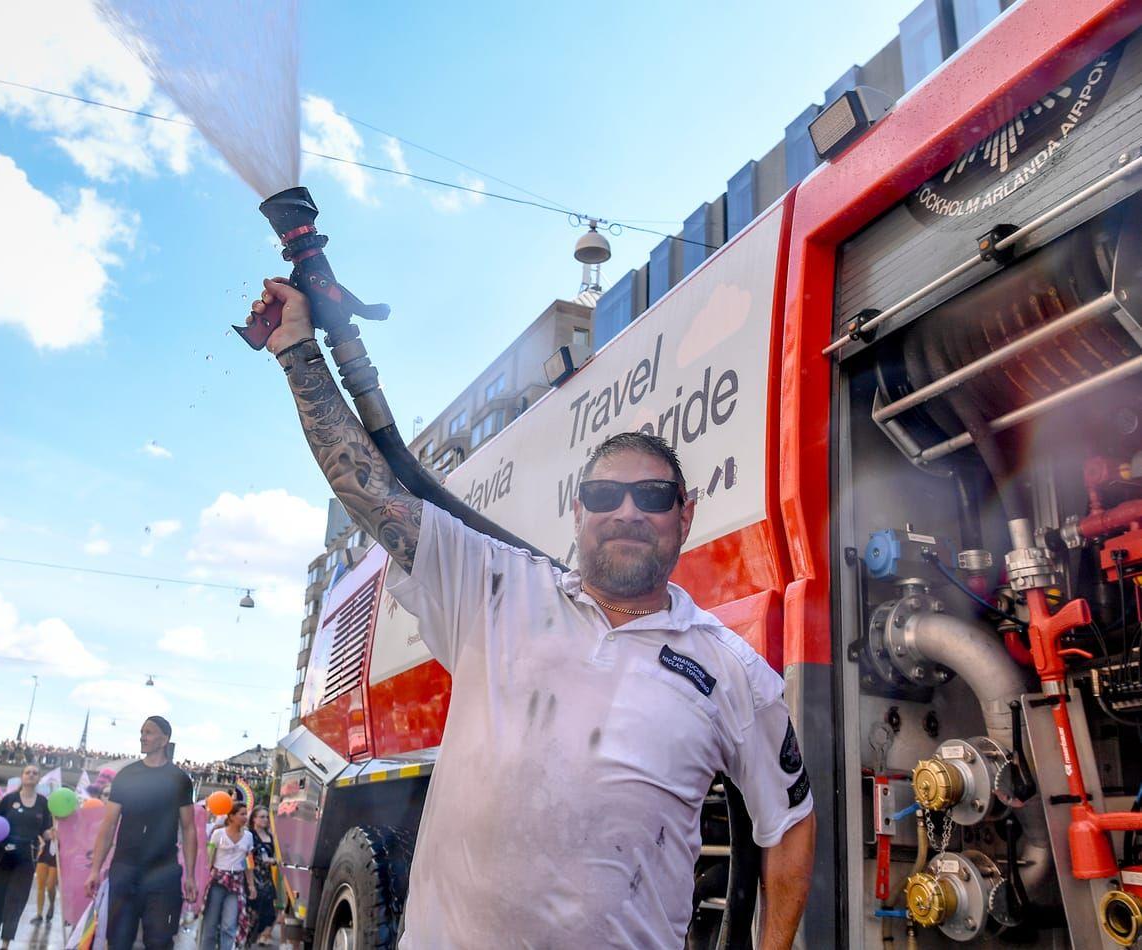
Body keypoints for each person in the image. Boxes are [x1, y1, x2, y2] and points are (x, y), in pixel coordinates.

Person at [251, 279, 817, 948]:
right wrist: (297, 350)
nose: (628, 511)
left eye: (653, 495)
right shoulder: (494, 588)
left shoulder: (734, 673)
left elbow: (791, 825)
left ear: (684, 514)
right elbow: (368, 488)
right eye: (605, 494)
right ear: (577, 513)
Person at [85, 717, 197, 950]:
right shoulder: (127, 775)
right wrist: (95, 869)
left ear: (164, 739)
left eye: (149, 732)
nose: (142, 737)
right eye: (141, 732)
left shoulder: (179, 779)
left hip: (164, 873)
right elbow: (108, 825)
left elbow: (188, 828)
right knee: (118, 940)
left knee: (160, 941)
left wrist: (190, 875)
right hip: (125, 869)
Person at [0, 764, 51, 950]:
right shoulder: (9, 799)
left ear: (39, 779)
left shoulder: (43, 803)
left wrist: (55, 833)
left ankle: (6, 941)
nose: (31, 775)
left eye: (35, 773)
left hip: (26, 856)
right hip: (2, 854)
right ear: (22, 776)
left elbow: (46, 831)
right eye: (28, 772)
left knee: (17, 898)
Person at [200, 801, 254, 950]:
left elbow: (249, 863)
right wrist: (203, 882)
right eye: (242, 814)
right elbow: (209, 859)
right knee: (210, 925)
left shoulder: (248, 836)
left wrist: (251, 885)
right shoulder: (218, 833)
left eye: (246, 814)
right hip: (218, 880)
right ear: (231, 816)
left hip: (237, 882)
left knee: (229, 925)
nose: (245, 817)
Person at [244, 806, 277, 946]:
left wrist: (273, 860)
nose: (265, 820)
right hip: (253, 876)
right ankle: (245, 940)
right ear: (254, 819)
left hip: (267, 878)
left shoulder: (270, 836)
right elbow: (246, 855)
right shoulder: (249, 834)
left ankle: (255, 937)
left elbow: (274, 855)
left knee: (268, 912)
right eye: (262, 817)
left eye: (266, 817)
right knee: (252, 911)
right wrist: (258, 860)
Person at [30, 826, 58, 924]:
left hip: (57, 856)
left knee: (50, 886)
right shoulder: (47, 815)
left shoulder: (67, 819)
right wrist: (45, 834)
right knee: (40, 886)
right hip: (45, 853)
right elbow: (40, 830)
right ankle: (39, 914)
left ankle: (51, 904)